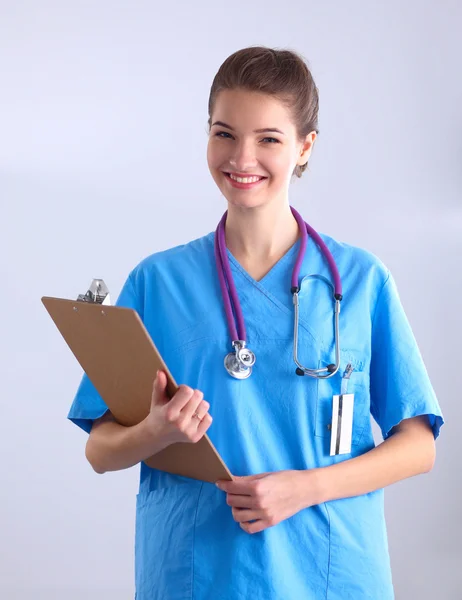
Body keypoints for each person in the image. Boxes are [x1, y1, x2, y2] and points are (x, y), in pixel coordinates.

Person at [67, 46, 444, 599]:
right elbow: (99, 449)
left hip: (330, 572)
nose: (242, 158)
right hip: (198, 574)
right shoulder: (158, 282)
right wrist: (156, 432)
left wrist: (305, 488)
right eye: (224, 133)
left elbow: (418, 444)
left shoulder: (361, 281)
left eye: (268, 138)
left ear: (304, 147)